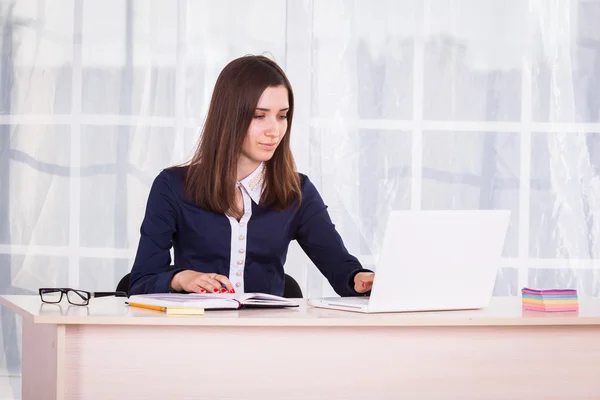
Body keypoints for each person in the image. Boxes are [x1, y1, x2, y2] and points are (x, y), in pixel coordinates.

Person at [128, 55, 374, 297]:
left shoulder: (297, 191)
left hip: (266, 335)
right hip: (198, 333)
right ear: (229, 117)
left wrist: (361, 279)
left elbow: (342, 270)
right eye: (259, 116)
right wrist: (181, 278)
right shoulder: (172, 187)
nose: (274, 130)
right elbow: (140, 282)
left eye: (282, 116)